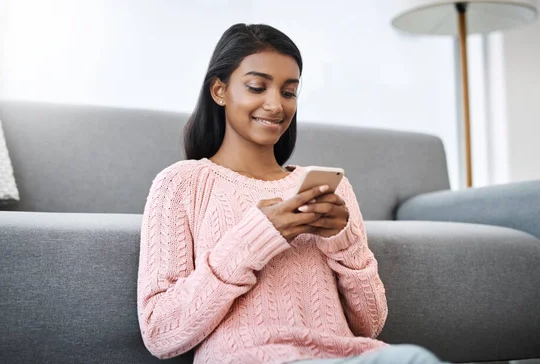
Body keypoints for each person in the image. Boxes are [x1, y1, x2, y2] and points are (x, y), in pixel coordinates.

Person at [137, 23, 444, 364]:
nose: (275, 105)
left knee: (415, 358)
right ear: (219, 90)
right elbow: (160, 332)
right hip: (249, 359)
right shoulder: (181, 184)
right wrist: (258, 237)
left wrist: (344, 242)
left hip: (346, 357)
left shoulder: (331, 187)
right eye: (257, 87)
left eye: (288, 92)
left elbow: (369, 324)